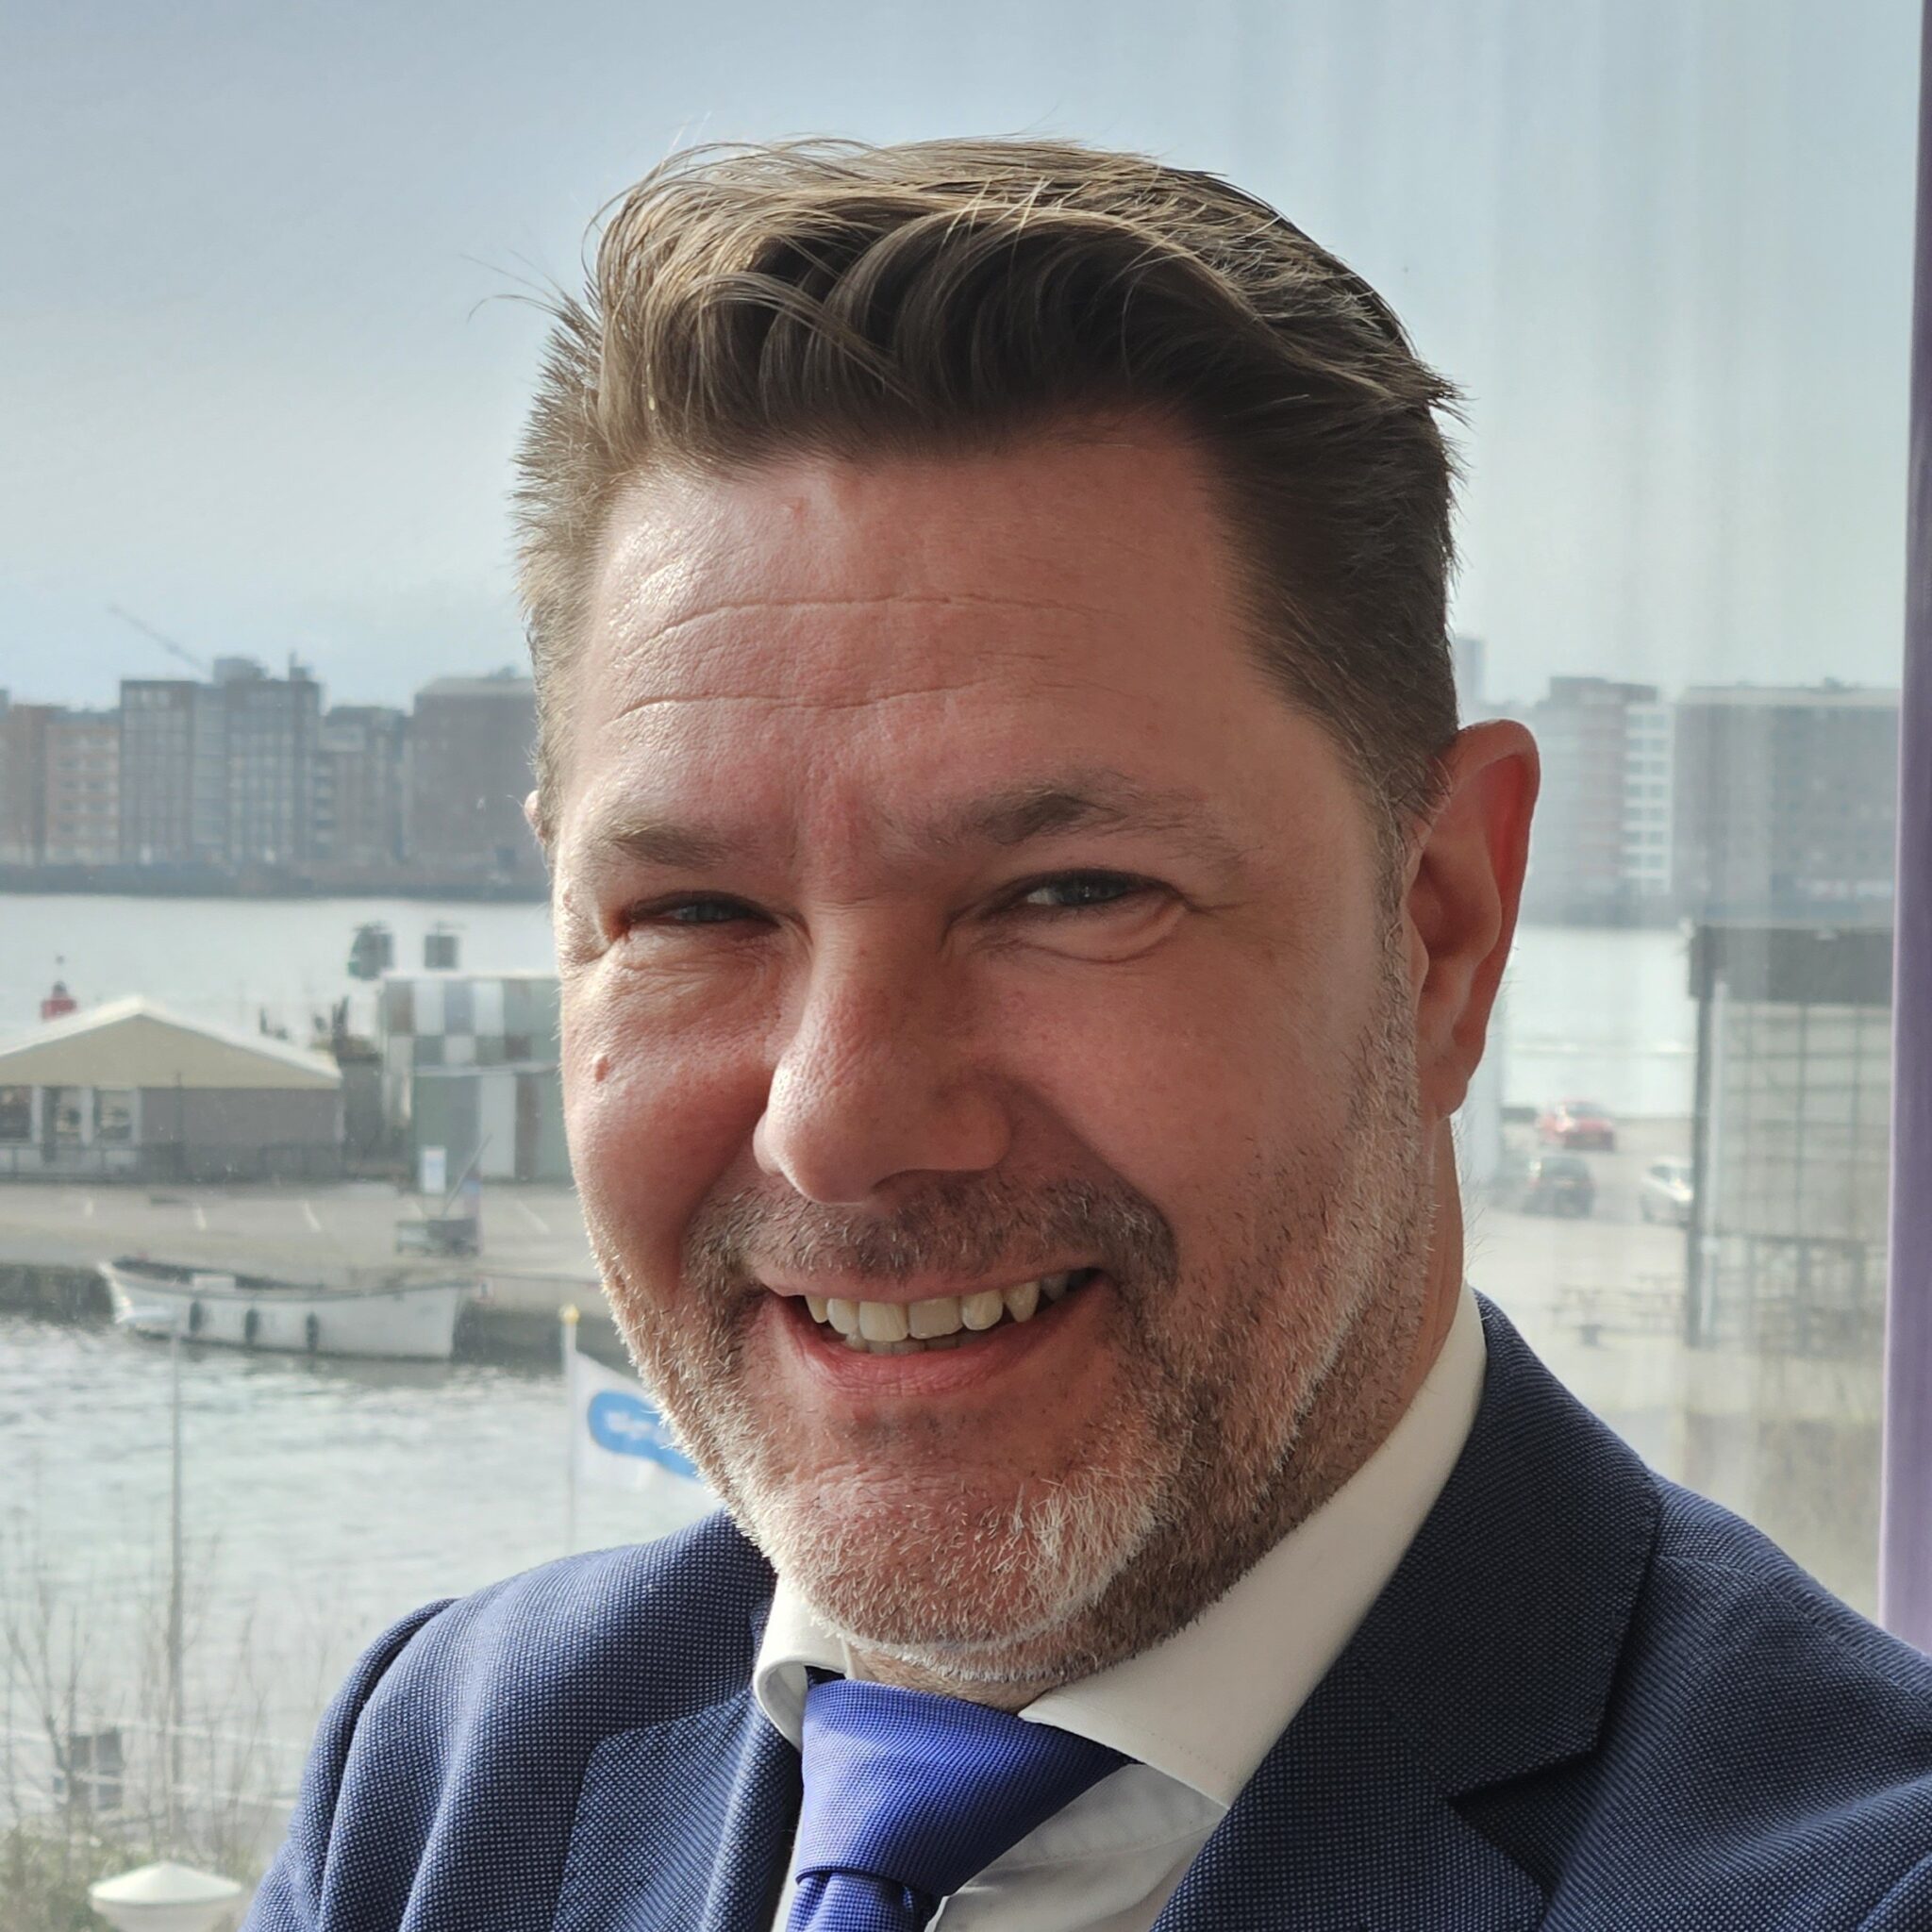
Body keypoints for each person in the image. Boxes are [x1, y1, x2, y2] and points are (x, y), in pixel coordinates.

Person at [245, 140, 1932, 1932]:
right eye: (695, 914)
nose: (837, 1122)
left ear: (1442, 929)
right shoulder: (442, 1781)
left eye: (1066, 893)